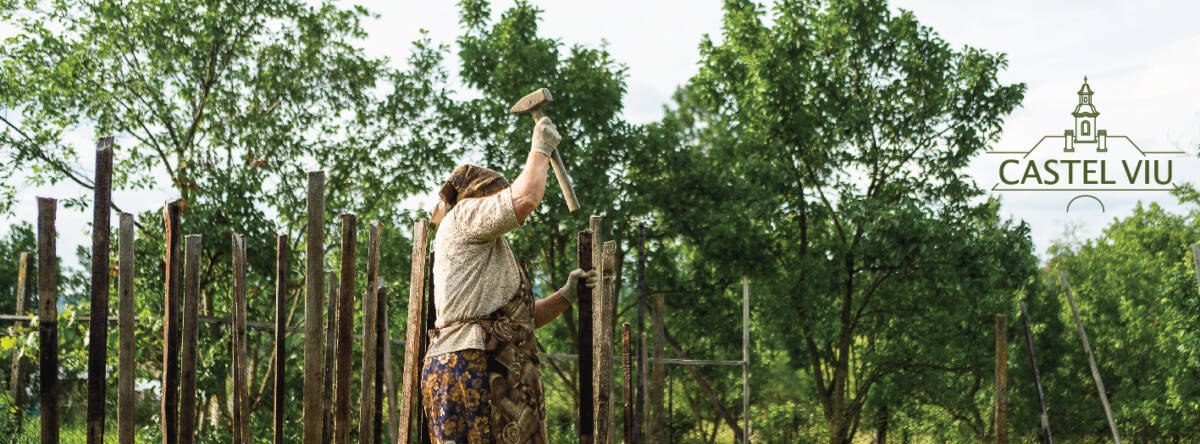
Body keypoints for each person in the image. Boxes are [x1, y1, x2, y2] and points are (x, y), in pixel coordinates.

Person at [422, 116, 599, 444]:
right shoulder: (465, 215)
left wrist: (566, 294)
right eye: (496, 197)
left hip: (481, 364)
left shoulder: (485, 250)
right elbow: (526, 198)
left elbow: (518, 323)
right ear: (480, 196)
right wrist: (541, 147)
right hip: (475, 366)